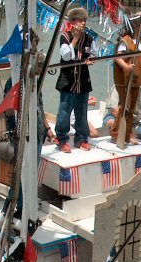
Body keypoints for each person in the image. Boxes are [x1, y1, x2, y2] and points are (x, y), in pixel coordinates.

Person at [55, 8, 93, 154]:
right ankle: (62, 139)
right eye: (80, 21)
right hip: (68, 80)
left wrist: (90, 60)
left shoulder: (89, 38)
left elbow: (92, 54)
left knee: (82, 111)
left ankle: (81, 138)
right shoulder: (64, 36)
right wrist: (75, 39)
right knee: (64, 111)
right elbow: (66, 56)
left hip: (83, 80)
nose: (83, 24)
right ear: (72, 22)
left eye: (84, 21)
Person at [111, 15, 141, 145]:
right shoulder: (125, 41)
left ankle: (128, 134)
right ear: (135, 27)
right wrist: (126, 66)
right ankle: (117, 133)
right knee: (124, 107)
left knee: (132, 108)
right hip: (124, 80)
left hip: (136, 80)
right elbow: (117, 56)